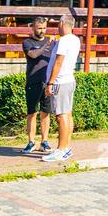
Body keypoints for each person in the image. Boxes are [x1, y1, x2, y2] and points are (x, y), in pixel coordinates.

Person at [41, 14, 81, 163]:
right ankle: (67, 147)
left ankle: (61, 149)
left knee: (60, 116)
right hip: (69, 80)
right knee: (67, 114)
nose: (57, 26)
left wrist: (50, 83)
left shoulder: (64, 41)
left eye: (58, 23)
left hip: (60, 82)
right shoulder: (75, 39)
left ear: (63, 23)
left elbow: (58, 62)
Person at [21, 17, 54, 154]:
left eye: (44, 28)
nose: (42, 31)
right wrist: (46, 45)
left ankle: (44, 141)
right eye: (39, 28)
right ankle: (31, 141)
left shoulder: (51, 42)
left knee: (45, 113)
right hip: (32, 82)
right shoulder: (27, 42)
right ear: (33, 28)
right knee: (32, 113)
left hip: (47, 82)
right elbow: (34, 55)